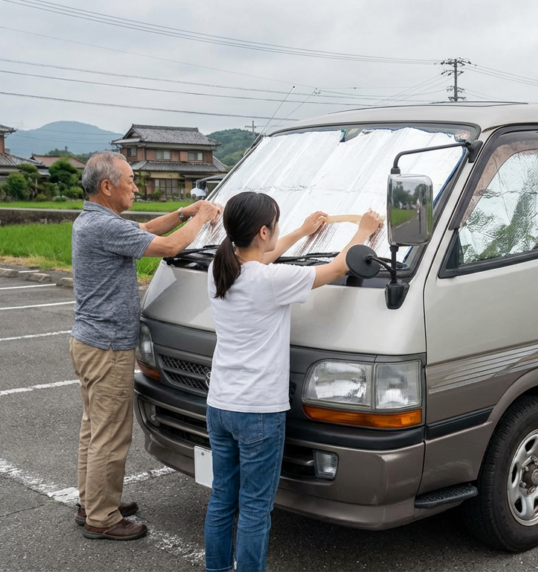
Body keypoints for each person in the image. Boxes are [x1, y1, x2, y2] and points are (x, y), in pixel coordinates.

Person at [204, 192, 382, 572]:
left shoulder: (220, 269)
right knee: (254, 507)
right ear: (264, 230)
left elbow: (262, 256)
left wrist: (302, 232)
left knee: (222, 498)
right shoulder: (269, 281)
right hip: (258, 413)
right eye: (279, 224)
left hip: (219, 404)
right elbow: (336, 268)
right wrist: (364, 231)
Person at [71, 151, 221, 540]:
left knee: (94, 428)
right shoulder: (104, 226)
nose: (136, 187)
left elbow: (147, 230)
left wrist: (184, 213)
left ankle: (92, 501)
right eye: (130, 180)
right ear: (108, 187)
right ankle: (102, 519)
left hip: (90, 342)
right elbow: (169, 248)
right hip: (107, 346)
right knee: (110, 433)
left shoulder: (95, 220)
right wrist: (203, 218)